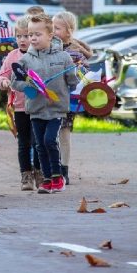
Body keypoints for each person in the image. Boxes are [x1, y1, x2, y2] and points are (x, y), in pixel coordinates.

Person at [11, 13, 78, 194]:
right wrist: (29, 87)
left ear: (50, 35)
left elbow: (72, 81)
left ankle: (58, 177)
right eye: (30, 34)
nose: (32, 38)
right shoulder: (25, 60)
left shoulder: (63, 57)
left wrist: (75, 75)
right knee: (39, 145)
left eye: (37, 34)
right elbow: (14, 82)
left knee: (50, 140)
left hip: (56, 109)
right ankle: (46, 179)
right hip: (35, 109)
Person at [0, 16, 42, 190]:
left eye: (27, 36)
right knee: (24, 142)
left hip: (38, 107)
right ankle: (26, 175)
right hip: (20, 107)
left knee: (38, 142)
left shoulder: (40, 55)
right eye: (19, 36)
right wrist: (2, 82)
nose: (22, 40)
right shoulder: (12, 56)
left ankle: (39, 172)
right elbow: (2, 75)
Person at [52, 11, 93, 185]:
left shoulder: (76, 52)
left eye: (57, 28)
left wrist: (77, 69)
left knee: (64, 134)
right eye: (51, 27)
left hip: (68, 100)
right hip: (50, 98)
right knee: (49, 135)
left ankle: (64, 170)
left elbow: (85, 73)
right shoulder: (48, 49)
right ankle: (50, 167)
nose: (53, 31)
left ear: (68, 31)